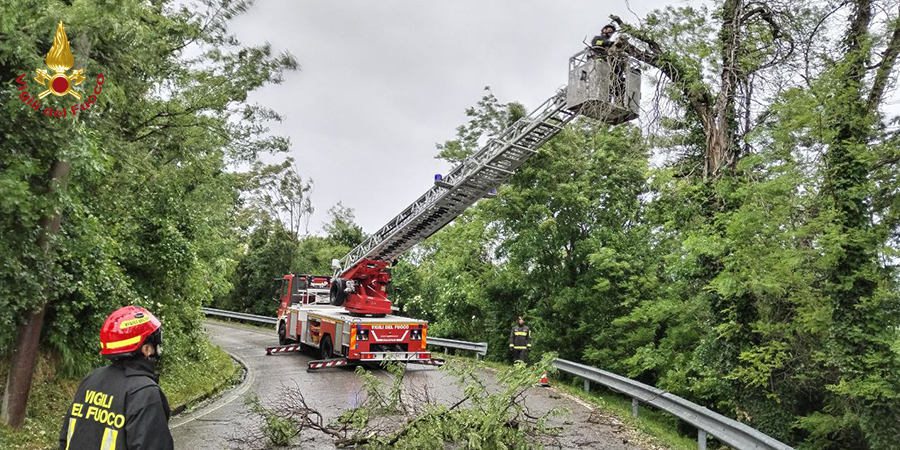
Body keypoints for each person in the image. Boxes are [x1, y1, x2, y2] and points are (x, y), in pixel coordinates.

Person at [59, 306, 174, 450]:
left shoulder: (92, 379)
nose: (159, 348)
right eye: (156, 343)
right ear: (146, 349)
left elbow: (65, 438)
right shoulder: (144, 392)